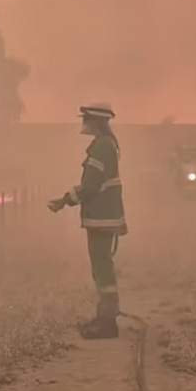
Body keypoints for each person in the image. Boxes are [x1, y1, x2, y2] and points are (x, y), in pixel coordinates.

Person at [47, 102, 128, 340]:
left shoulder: (101, 147)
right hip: (105, 215)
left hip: (101, 216)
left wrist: (64, 201)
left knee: (102, 269)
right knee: (102, 267)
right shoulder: (107, 145)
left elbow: (90, 186)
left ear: (96, 122)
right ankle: (105, 317)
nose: (83, 124)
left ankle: (107, 323)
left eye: (86, 119)